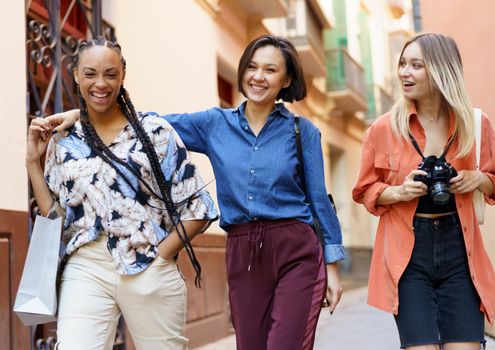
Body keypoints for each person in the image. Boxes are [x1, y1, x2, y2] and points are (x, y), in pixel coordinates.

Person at [48, 34, 345, 350]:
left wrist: (332, 267)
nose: (259, 77)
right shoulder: (214, 123)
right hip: (243, 250)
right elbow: (142, 125)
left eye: (270, 70)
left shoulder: (303, 131)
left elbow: (318, 200)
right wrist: (81, 116)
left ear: (286, 79)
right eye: (252, 67)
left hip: (295, 247)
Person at [26, 37, 217, 350]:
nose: (100, 83)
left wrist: (160, 257)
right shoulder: (64, 140)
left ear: (123, 75)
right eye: (90, 74)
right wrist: (33, 163)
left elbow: (198, 208)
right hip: (86, 268)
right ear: (74, 74)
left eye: (110, 74)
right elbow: (57, 218)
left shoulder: (155, 132)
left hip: (148, 264)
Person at [352, 33, 495, 350]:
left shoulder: (475, 125)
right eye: (403, 64)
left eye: (416, 65)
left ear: (441, 70)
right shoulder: (384, 128)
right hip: (409, 255)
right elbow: (365, 190)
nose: (404, 73)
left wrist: (477, 178)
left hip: (460, 252)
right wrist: (399, 192)